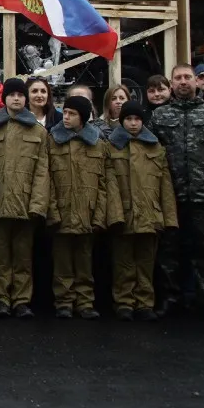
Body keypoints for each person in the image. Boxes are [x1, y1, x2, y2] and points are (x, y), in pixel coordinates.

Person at [151, 64, 204, 322]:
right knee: (169, 252)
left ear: (196, 82)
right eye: (178, 78)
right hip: (170, 195)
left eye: (188, 77)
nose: (183, 82)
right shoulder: (160, 116)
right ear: (171, 84)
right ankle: (171, 298)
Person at [47, 95, 123, 319]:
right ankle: (64, 301)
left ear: (83, 117)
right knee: (62, 263)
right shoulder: (53, 140)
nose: (66, 117)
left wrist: (99, 215)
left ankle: (85, 302)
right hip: (62, 211)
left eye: (72, 114)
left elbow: (104, 183)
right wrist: (52, 210)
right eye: (65, 112)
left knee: (84, 261)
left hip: (87, 213)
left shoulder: (99, 144)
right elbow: (47, 179)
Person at [0, 78, 49, 319]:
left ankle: (21, 300)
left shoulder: (39, 132)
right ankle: (1, 299)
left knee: (23, 256)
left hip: (25, 204)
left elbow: (43, 171)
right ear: (5, 99)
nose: (16, 98)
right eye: (11, 94)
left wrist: (38, 204)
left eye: (20, 95)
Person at [107, 101, 178, 322]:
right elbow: (109, 185)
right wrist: (115, 215)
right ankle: (124, 302)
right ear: (122, 121)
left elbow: (165, 186)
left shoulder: (156, 148)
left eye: (137, 119)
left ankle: (145, 302)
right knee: (123, 262)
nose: (133, 123)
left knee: (146, 262)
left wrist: (169, 218)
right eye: (129, 119)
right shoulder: (112, 147)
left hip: (150, 213)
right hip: (125, 214)